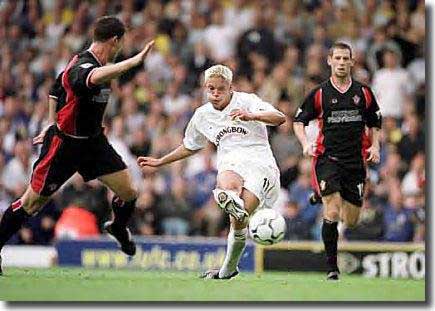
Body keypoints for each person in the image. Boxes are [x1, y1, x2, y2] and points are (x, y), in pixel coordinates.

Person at [0, 16, 155, 275]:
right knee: (31, 204)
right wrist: (134, 61)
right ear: (114, 40)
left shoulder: (91, 63)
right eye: (120, 43)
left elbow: (54, 88)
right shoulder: (83, 66)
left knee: (129, 192)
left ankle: (117, 227)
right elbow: (90, 78)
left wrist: (51, 119)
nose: (120, 49)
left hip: (93, 143)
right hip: (65, 146)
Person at [137, 64, 285, 279]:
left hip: (260, 163)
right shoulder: (202, 115)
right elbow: (190, 145)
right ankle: (230, 198)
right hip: (230, 162)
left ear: (230, 88)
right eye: (211, 89)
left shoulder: (247, 100)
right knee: (230, 188)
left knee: (239, 219)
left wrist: (252, 116)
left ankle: (229, 263)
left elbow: (280, 117)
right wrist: (161, 161)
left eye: (220, 89)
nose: (215, 94)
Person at [293, 42, 382, 281]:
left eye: (346, 59)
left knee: (351, 220)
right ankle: (332, 268)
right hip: (327, 159)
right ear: (329, 61)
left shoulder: (363, 93)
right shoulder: (320, 93)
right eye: (338, 58)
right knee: (332, 210)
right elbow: (298, 121)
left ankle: (321, 194)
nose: (342, 63)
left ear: (352, 62)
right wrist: (304, 143)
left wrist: (375, 145)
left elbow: (375, 122)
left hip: (355, 163)